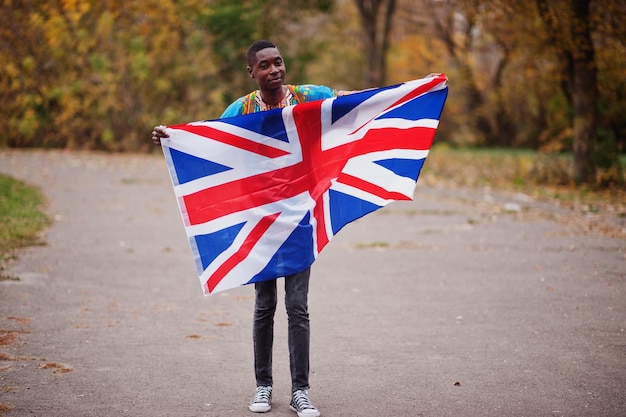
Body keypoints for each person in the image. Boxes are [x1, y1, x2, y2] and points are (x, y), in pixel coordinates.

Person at [152, 40, 356, 417]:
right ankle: (263, 387)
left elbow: (349, 103)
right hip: (261, 220)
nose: (274, 70)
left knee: (298, 307)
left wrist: (401, 93)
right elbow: (211, 139)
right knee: (265, 305)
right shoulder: (241, 109)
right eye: (265, 65)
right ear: (252, 72)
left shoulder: (308, 96)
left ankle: (301, 392)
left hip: (299, 216)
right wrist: (171, 137)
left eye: (278, 62)